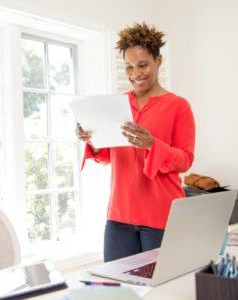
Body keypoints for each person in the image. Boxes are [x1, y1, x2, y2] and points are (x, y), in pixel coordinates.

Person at [76, 22, 195, 262]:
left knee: (159, 291)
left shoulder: (178, 106)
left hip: (162, 214)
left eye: (143, 65)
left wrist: (152, 144)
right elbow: (109, 156)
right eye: (129, 67)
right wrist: (93, 140)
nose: (135, 74)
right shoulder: (117, 104)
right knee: (117, 288)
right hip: (120, 214)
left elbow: (185, 160)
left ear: (158, 61)